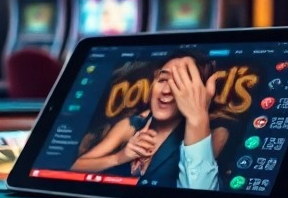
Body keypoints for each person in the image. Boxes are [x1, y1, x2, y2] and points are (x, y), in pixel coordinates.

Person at [71, 53, 228, 189]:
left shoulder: (212, 135)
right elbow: (76, 167)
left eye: (179, 84)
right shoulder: (131, 125)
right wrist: (120, 156)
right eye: (162, 79)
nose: (166, 90)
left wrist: (197, 117)